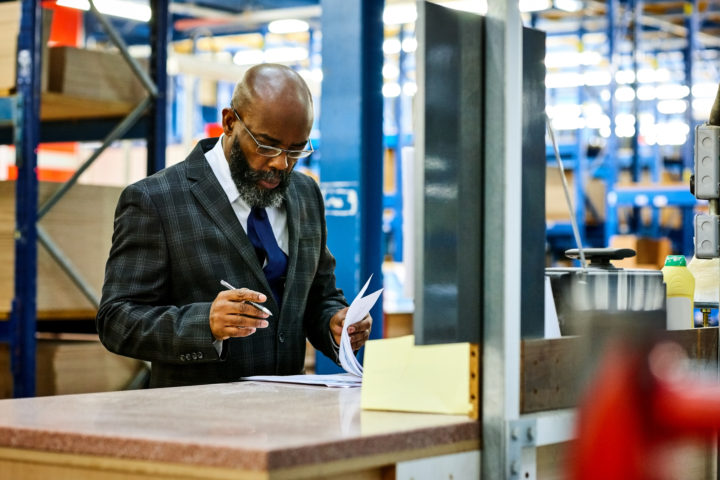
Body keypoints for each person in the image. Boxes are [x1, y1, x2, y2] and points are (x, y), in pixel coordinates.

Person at [96, 63, 372, 388]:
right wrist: (204, 324)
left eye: (296, 150)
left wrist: (335, 323)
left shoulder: (305, 194)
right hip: (198, 420)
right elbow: (116, 320)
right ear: (229, 122)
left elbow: (318, 295)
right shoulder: (156, 200)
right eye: (267, 146)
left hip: (289, 415)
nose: (280, 164)